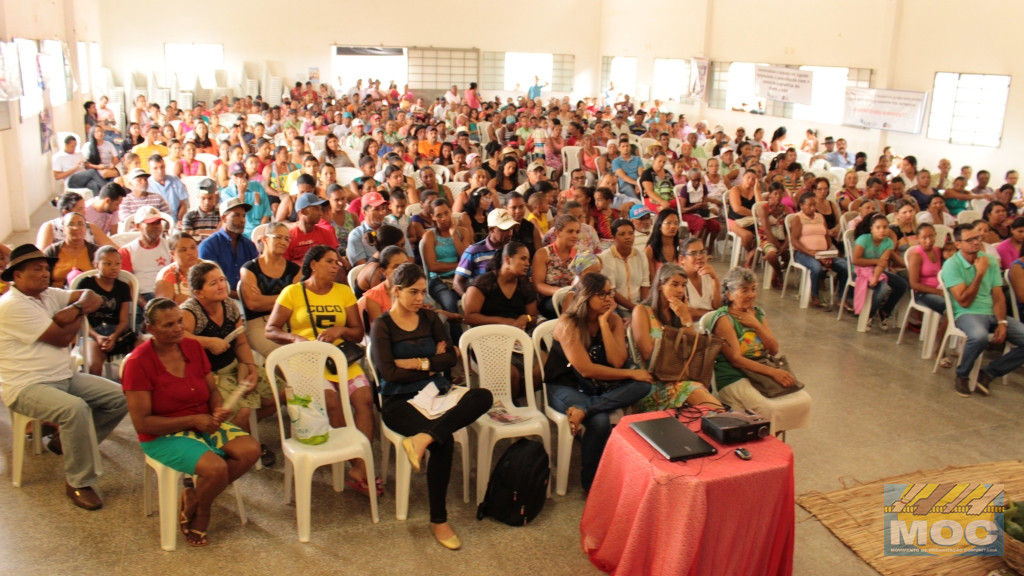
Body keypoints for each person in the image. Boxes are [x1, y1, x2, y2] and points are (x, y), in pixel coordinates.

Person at [370, 263, 492, 551]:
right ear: (396, 291)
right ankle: (439, 520)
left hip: (435, 393)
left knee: (482, 396)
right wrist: (430, 364)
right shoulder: (382, 326)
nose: (419, 298)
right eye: (413, 292)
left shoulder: (429, 318)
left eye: (423, 292)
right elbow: (389, 374)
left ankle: (423, 438)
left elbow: (450, 357)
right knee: (444, 441)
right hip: (398, 401)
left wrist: (416, 363)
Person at [122, 298, 259, 546]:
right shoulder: (137, 363)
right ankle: (203, 511)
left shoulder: (192, 348)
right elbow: (142, 423)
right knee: (215, 468)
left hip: (202, 421)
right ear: (150, 329)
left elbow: (212, 390)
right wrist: (194, 419)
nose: (177, 328)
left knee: (251, 450)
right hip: (163, 433)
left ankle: (195, 497)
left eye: (179, 322)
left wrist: (217, 408)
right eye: (168, 325)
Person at [0, 244, 128, 510]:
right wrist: (80, 313)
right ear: (17, 276)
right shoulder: (11, 305)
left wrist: (75, 308)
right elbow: (61, 338)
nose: (45, 273)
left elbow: (92, 296)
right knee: (75, 409)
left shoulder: (48, 295)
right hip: (26, 385)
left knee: (120, 397)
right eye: (37, 269)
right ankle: (78, 482)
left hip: (63, 376)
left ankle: (65, 442)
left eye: (46, 268)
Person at [265, 245, 378, 494]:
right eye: (329, 261)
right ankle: (360, 464)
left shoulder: (343, 292)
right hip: (306, 362)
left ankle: (360, 463)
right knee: (330, 400)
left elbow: (358, 332)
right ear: (313, 265)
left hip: (339, 358)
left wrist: (341, 331)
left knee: (364, 397)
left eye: (337, 262)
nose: (336, 265)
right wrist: (295, 339)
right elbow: (271, 330)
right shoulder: (292, 293)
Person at [544, 272, 652, 492]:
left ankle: (585, 408)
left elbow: (617, 361)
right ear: (586, 296)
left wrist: (605, 324)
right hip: (564, 386)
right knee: (600, 420)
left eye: (609, 293)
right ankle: (591, 484)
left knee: (645, 385)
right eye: (601, 294)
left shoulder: (612, 320)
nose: (608, 299)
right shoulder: (569, 323)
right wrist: (630, 374)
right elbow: (585, 369)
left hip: (596, 387)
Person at [181, 261, 276, 465]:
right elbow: (177, 336)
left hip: (233, 367)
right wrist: (208, 342)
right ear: (199, 292)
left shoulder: (229, 305)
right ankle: (241, 445)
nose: (222, 285)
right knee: (240, 411)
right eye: (213, 283)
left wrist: (249, 368)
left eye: (222, 280)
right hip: (207, 376)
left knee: (278, 395)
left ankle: (242, 434)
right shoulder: (190, 310)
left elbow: (241, 341)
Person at [708, 266, 812, 431]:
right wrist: (773, 372)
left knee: (803, 399)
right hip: (734, 376)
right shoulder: (724, 319)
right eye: (744, 290)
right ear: (729, 294)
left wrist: (756, 324)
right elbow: (736, 359)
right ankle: (764, 445)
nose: (751, 295)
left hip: (760, 370)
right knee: (768, 408)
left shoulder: (757, 314)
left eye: (754, 289)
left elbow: (773, 349)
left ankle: (772, 439)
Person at [939, 223, 1024, 397]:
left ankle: (989, 372)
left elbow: (998, 296)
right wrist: (979, 273)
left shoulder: (989, 260)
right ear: (958, 244)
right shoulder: (952, 265)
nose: (976, 243)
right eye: (970, 240)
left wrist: (1002, 322)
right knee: (979, 336)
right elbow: (963, 301)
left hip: (992, 313)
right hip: (967, 314)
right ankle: (962, 375)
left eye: (977, 238)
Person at [631, 264, 724, 411]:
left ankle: (723, 424)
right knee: (703, 398)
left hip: (679, 377)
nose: (680, 290)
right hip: (652, 383)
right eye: (674, 284)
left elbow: (695, 351)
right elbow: (647, 353)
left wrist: (686, 320)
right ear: (660, 285)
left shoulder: (679, 312)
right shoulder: (642, 311)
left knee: (699, 393)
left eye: (683, 285)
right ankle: (725, 425)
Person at [463, 241, 540, 398]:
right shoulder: (484, 283)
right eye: (523, 259)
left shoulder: (524, 285)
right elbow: (469, 316)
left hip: (517, 340)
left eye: (528, 260)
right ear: (507, 259)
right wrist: (504, 323)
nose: (527, 264)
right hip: (488, 340)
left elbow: (534, 317)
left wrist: (526, 318)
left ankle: (516, 398)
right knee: (511, 373)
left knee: (543, 366)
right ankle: (510, 404)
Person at [790, 192, 849, 309]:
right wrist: (809, 252)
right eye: (809, 205)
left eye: (814, 205)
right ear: (801, 205)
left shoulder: (820, 217)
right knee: (816, 267)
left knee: (845, 266)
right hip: (803, 253)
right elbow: (794, 241)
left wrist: (830, 248)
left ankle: (842, 298)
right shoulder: (798, 218)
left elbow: (826, 235)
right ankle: (815, 295)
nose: (812, 208)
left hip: (822, 253)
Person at [851, 214, 908, 330]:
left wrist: (875, 277)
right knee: (883, 288)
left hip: (877, 270)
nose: (882, 230)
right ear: (871, 228)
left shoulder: (888, 243)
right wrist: (876, 261)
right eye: (878, 227)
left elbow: (882, 264)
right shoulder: (864, 239)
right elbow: (856, 260)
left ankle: (885, 311)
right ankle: (869, 315)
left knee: (902, 285)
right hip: (860, 270)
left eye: (885, 227)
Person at [197, 198, 259, 297]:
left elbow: (258, 275)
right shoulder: (208, 246)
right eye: (237, 215)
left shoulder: (249, 245)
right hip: (219, 300)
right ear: (224, 218)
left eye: (244, 216)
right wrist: (241, 296)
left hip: (249, 298)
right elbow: (207, 284)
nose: (242, 220)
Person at [422, 198, 471, 326]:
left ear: (451, 212)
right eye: (439, 215)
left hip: (461, 277)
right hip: (438, 280)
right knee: (450, 304)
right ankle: (456, 343)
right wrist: (459, 266)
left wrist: (454, 235)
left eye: (446, 213)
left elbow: (466, 259)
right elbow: (433, 266)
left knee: (476, 298)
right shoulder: (430, 236)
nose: (444, 218)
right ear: (432, 217)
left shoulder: (462, 232)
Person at [905, 223, 948, 363]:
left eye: (931, 236)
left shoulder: (937, 250)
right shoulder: (916, 255)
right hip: (922, 293)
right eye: (924, 237)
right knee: (949, 311)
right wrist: (938, 292)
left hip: (940, 290)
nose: (928, 241)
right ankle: (939, 350)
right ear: (918, 238)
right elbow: (914, 284)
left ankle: (955, 345)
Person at [453, 208, 517, 295]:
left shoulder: (514, 250)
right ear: (491, 229)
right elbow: (457, 282)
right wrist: (468, 299)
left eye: (511, 228)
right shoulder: (473, 251)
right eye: (504, 229)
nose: (510, 233)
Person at [532, 214, 581, 318]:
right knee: (570, 303)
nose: (575, 235)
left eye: (577, 232)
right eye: (570, 231)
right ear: (557, 233)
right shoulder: (543, 254)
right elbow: (538, 285)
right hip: (549, 299)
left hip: (574, 296)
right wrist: (562, 293)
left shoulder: (579, 254)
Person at [598, 218, 649, 313]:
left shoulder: (641, 256)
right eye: (622, 234)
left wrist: (645, 308)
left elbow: (645, 285)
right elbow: (612, 291)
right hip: (616, 307)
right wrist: (635, 309)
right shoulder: (605, 258)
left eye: (631, 233)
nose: (627, 237)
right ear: (613, 238)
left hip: (638, 305)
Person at [360, 245, 408, 326]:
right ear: (383, 271)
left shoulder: (413, 287)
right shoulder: (374, 297)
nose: (403, 270)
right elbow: (380, 330)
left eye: (405, 265)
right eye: (396, 266)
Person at [219, 162, 272, 236]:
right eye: (236, 176)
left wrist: (260, 230)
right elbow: (236, 211)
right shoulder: (226, 193)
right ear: (231, 177)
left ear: (245, 174)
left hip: (260, 229)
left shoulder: (257, 186)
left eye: (241, 175)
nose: (239, 178)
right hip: (240, 231)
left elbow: (266, 212)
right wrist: (241, 193)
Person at [678, 237, 722, 321]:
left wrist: (715, 279)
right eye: (693, 253)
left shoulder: (708, 274)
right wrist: (714, 314)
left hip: (711, 324)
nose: (700, 257)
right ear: (682, 259)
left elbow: (718, 306)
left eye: (702, 252)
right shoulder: (678, 278)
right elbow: (686, 312)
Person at [727, 170, 763, 268]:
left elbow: (760, 208)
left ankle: (751, 255)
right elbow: (737, 209)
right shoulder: (735, 190)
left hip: (751, 221)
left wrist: (757, 191)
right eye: (748, 177)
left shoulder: (754, 191)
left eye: (753, 179)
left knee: (765, 234)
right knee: (748, 236)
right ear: (743, 177)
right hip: (734, 220)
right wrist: (754, 214)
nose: (750, 180)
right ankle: (749, 253)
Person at [154, 232, 200, 304]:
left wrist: (185, 299)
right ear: (172, 254)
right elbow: (164, 308)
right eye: (183, 250)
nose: (190, 252)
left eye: (193, 247)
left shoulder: (210, 267)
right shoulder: (167, 274)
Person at [644, 209, 682, 283]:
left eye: (676, 223)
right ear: (659, 226)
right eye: (669, 223)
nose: (673, 226)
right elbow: (653, 280)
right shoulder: (650, 250)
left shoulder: (683, 246)